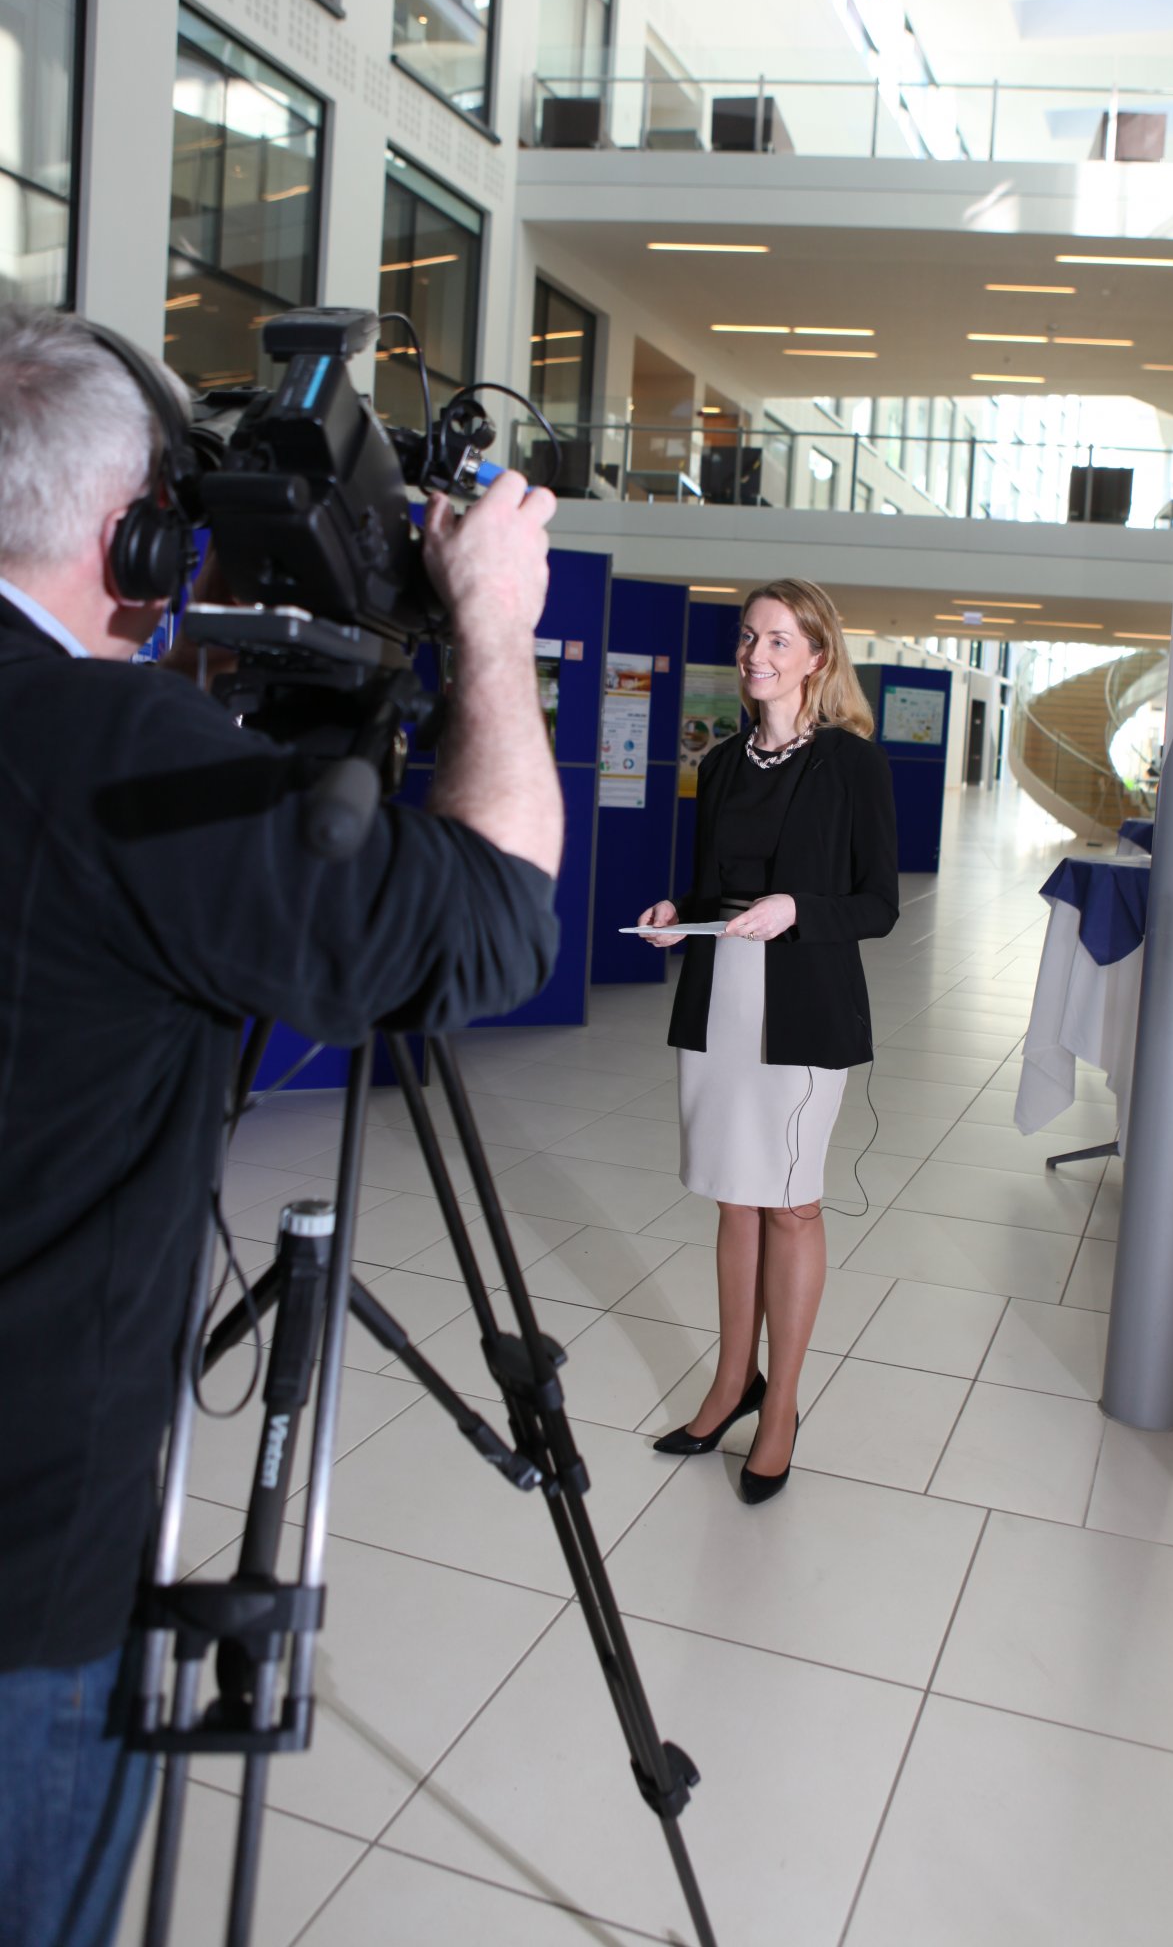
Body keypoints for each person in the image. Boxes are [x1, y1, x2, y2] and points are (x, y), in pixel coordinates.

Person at [0, 305, 563, 1947]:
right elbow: (490, 925)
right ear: (138, 535)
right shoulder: (115, 761)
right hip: (25, 1569)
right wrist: (492, 629)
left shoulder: (109, 750)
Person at [637, 578, 898, 1503]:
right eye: (749, 637)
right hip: (719, 1002)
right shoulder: (719, 763)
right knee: (733, 1200)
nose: (756, 655)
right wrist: (678, 915)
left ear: (817, 657)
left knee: (788, 1203)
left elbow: (877, 904)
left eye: (779, 640)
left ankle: (779, 1405)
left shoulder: (851, 764)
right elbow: (716, 890)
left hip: (801, 1006)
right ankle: (729, 1384)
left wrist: (798, 909)